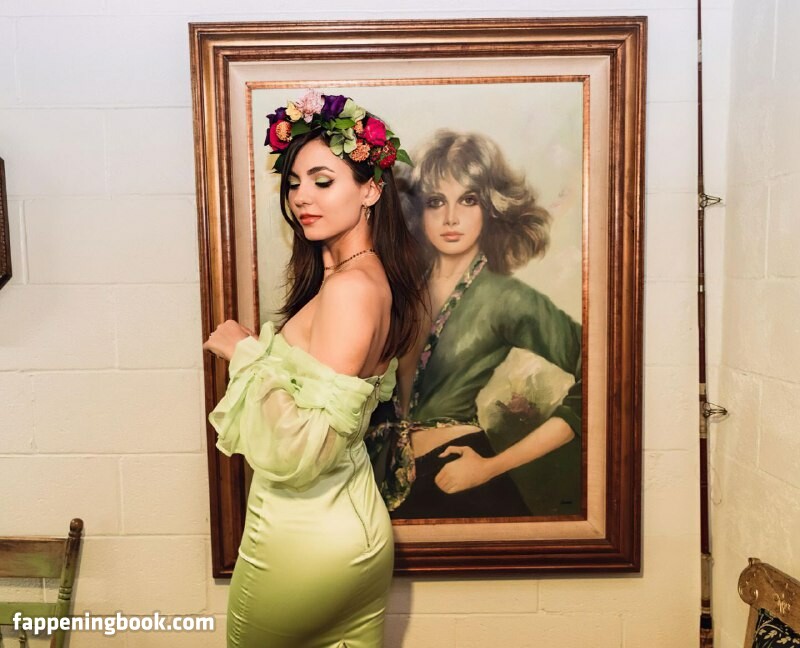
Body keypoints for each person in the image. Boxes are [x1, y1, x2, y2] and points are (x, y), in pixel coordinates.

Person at [203, 90, 425, 648]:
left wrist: (246, 352)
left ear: (370, 190)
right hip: (346, 526)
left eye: (323, 181)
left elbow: (306, 449)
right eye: (295, 182)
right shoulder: (359, 277)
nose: (302, 196)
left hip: (303, 535)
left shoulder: (352, 289)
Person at [366, 129, 583, 520]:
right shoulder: (400, 288)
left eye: (468, 200)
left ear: (491, 207)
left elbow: (604, 378)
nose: (451, 218)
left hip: (462, 481)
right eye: (436, 201)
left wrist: (492, 466)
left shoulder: (507, 298)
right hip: (387, 484)